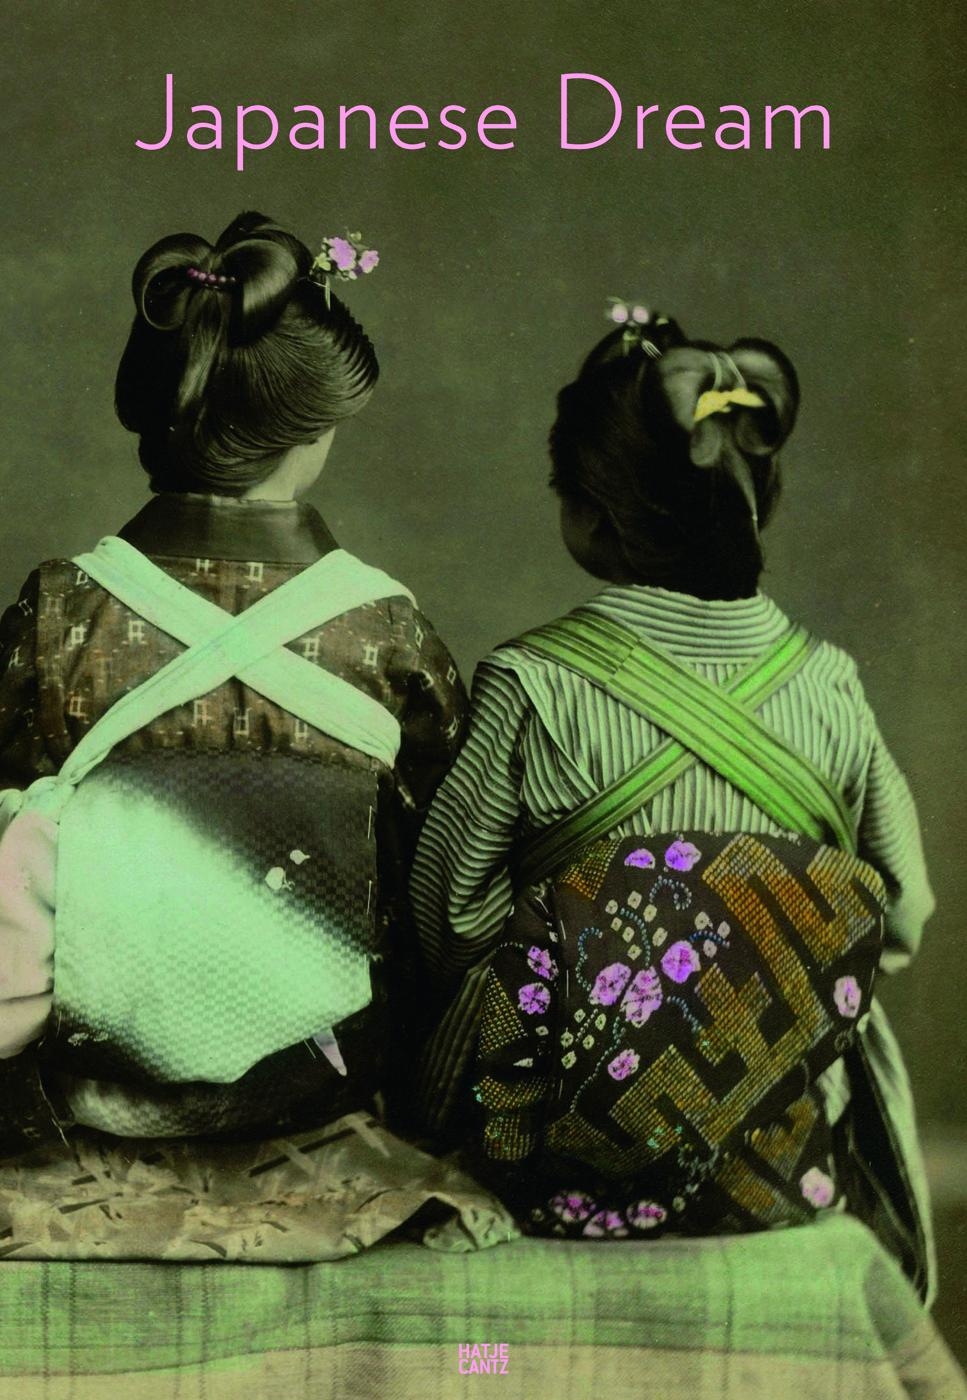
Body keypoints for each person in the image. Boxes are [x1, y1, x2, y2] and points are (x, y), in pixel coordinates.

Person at [0, 211, 516, 1262]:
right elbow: (440, 876)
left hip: (81, 1116)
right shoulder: (386, 630)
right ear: (313, 430)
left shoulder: (59, 610)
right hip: (323, 1112)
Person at [410, 307, 938, 1300]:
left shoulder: (532, 683)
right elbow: (899, 912)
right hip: (776, 1135)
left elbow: (448, 922)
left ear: (589, 515)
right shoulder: (830, 683)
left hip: (551, 1135)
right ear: (759, 498)